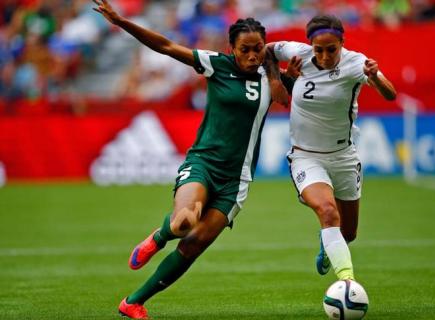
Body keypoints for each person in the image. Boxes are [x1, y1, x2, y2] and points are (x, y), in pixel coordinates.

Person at [92, 0, 289, 319]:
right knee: (185, 222)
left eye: (258, 49)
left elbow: (314, 85)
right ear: (232, 49)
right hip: (203, 165)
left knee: (194, 244)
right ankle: (158, 237)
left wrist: (284, 79)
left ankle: (133, 302)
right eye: (245, 50)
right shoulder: (216, 64)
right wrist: (121, 22)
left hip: (236, 181)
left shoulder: (273, 78)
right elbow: (167, 46)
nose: (252, 56)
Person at [265, 14, 396, 281]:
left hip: (344, 157)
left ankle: (328, 246)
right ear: (310, 45)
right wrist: (275, 81)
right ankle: (347, 283)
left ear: (342, 42)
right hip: (305, 156)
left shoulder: (356, 63)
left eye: (331, 49)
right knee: (327, 212)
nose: (324, 56)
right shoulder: (297, 53)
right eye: (318, 50)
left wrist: (375, 78)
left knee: (348, 233)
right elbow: (267, 50)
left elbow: (390, 94)